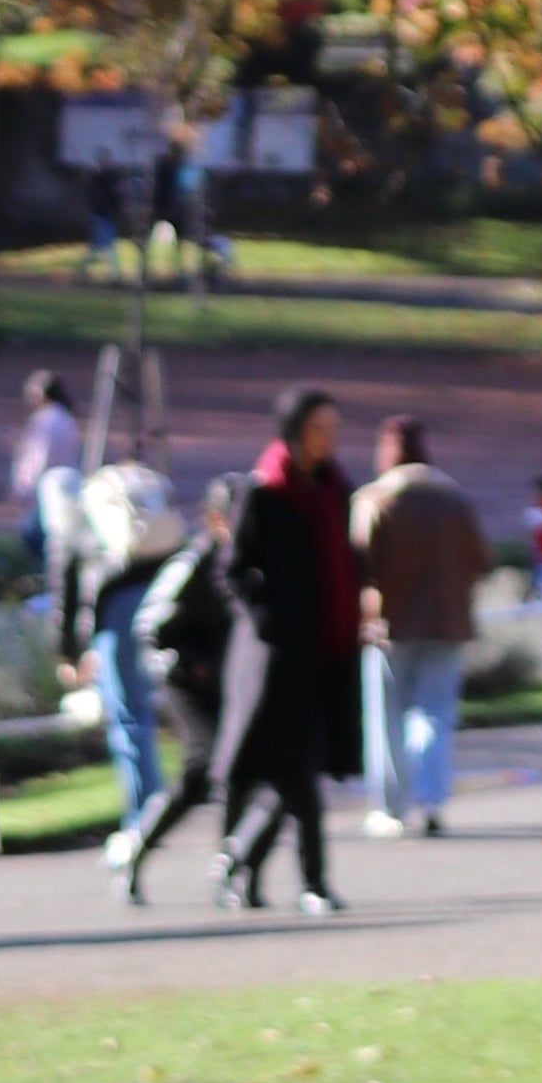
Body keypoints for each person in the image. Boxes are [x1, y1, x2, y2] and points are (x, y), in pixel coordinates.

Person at [220, 386, 365, 916]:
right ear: (295, 430)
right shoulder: (263, 492)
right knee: (297, 777)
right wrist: (269, 619)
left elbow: (348, 563)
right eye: (318, 428)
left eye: (333, 428)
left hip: (327, 655)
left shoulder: (336, 488)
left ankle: (240, 860)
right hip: (277, 662)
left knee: (296, 776)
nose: (328, 439)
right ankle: (314, 883)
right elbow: (233, 570)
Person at [351, 414, 488, 839]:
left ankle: (392, 805)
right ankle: (430, 798)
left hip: (389, 623)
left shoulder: (376, 499)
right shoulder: (454, 498)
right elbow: (481, 558)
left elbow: (359, 561)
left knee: (386, 714)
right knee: (434, 711)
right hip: (446, 620)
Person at [116, 478, 242, 902]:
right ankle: (138, 851)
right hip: (187, 680)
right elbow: (151, 626)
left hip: (228, 679)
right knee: (200, 770)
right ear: (215, 518)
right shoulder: (195, 562)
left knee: (239, 770)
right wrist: (193, 664)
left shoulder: (242, 561)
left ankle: (229, 868)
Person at [72, 459, 183, 860]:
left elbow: (74, 578)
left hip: (115, 612)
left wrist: (72, 646)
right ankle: (157, 811)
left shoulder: (89, 517)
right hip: (156, 602)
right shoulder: (153, 504)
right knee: (153, 714)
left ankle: (143, 818)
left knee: (129, 717)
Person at [11, 369, 84, 657]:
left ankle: (52, 591)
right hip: (62, 486)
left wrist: (24, 486)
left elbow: (38, 456)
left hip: (47, 489)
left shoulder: (47, 419)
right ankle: (53, 590)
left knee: (38, 536)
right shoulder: (64, 417)